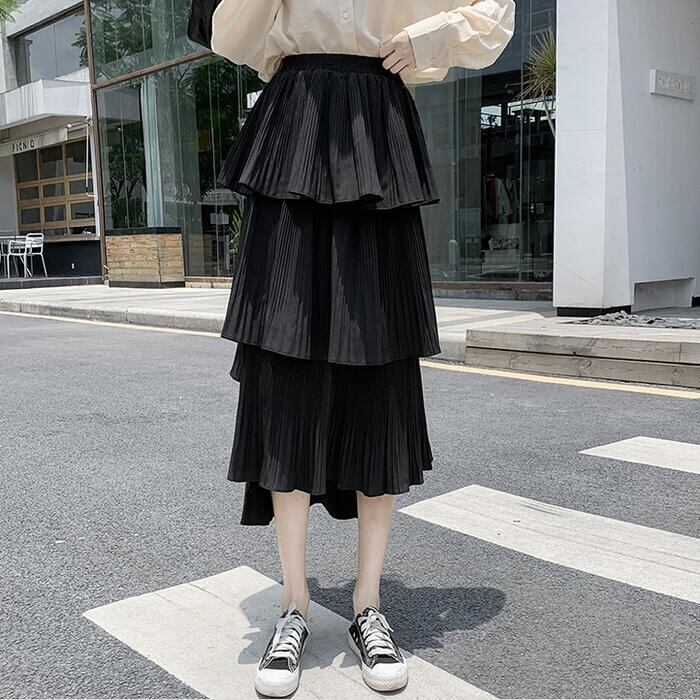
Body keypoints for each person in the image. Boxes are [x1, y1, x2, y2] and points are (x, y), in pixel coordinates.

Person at [187, 1, 515, 696]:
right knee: (285, 369)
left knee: (378, 369)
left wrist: (433, 37)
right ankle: (294, 604)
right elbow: (230, 34)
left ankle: (368, 603)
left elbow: (495, 12)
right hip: (295, 122)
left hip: (377, 123)